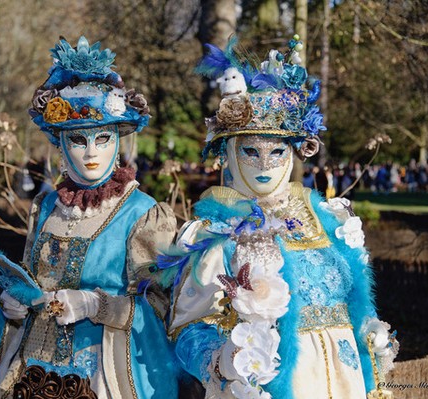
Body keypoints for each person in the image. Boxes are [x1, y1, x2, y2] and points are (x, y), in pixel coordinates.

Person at [159, 37, 398, 399]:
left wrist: (370, 333)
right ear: (229, 153)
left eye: (277, 150)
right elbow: (189, 327)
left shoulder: (328, 218)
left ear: (294, 150)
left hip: (347, 381)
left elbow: (352, 300)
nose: (266, 164)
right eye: (251, 151)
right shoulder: (217, 231)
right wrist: (221, 360)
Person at [0, 36, 179, 399]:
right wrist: (12, 305)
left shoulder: (144, 214)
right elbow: (28, 278)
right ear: (60, 145)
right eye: (78, 140)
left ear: (118, 142)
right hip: (31, 374)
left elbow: (163, 310)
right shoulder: (44, 208)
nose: (91, 152)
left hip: (105, 379)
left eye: (103, 138)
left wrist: (96, 305)